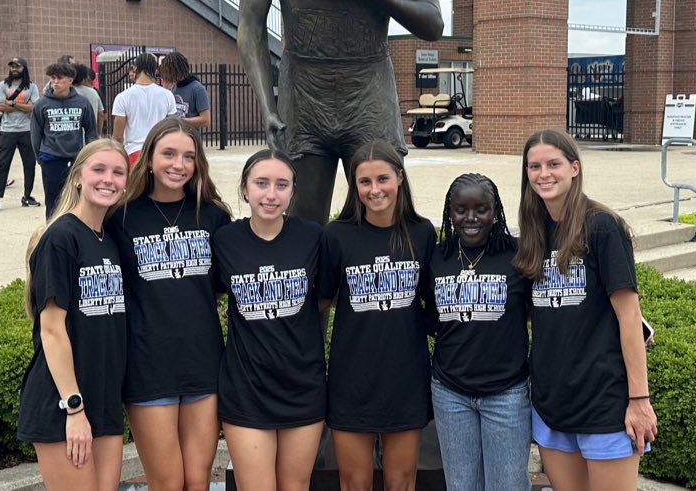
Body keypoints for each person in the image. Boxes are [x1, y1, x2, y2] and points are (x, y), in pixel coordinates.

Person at [512, 129, 656, 491]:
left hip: (604, 401)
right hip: (551, 401)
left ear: (574, 168)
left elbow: (629, 317)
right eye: (534, 166)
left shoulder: (602, 227)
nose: (543, 173)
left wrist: (639, 399)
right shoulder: (534, 233)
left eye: (553, 164)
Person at [238, 0, 443, 224]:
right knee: (304, 224)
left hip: (369, 91)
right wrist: (268, 109)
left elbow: (433, 24)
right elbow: (250, 26)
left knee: (384, 216)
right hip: (303, 95)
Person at [109, 117, 231, 491]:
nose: (179, 164)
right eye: (169, 154)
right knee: (167, 482)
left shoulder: (213, 216)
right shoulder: (122, 217)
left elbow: (227, 284)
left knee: (197, 481)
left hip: (204, 362)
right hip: (148, 366)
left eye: (189, 156)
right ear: (148, 159)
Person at [317, 142, 435, 491]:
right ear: (354, 186)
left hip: (406, 375)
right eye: (364, 182)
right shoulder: (337, 235)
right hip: (352, 377)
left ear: (399, 177)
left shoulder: (422, 233)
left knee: (401, 481)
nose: (374, 189)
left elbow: (435, 305)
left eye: (382, 178)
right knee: (355, 481)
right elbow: (321, 300)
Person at [17, 138, 131, 490]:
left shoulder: (108, 239)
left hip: (104, 398)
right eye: (98, 169)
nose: (108, 179)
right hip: (64, 402)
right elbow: (51, 330)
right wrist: (74, 408)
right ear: (78, 177)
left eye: (118, 172)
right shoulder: (61, 237)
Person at [212, 149, 327, 491]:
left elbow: (324, 298)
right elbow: (214, 293)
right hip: (246, 389)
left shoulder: (313, 238)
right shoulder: (225, 241)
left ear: (293, 191)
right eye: (261, 183)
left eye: (282, 185)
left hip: (302, 387)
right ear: (245, 188)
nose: (271, 194)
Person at [421, 173, 530, 491]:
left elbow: (550, 309)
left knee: (508, 485)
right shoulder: (438, 258)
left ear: (495, 211)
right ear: (449, 212)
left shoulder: (518, 255)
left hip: (507, 393)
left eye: (481, 209)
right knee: (461, 485)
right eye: (461, 209)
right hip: (450, 392)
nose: (471, 218)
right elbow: (429, 316)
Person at [32, 63, 99, 219]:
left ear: (70, 80)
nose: (55, 82)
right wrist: (40, 158)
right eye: (53, 78)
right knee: (53, 201)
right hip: (51, 158)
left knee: (78, 199)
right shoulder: (42, 104)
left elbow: (91, 132)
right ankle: (52, 233)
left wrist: (90, 157)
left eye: (60, 78)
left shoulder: (82, 103)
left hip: (76, 159)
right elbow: (36, 135)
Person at [0, 57, 42, 211]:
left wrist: (12, 103)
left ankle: (27, 196)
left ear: (24, 68)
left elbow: (34, 108)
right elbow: (0, 107)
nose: (14, 69)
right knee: (2, 165)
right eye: (12, 66)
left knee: (29, 165)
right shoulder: (3, 85)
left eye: (17, 66)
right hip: (7, 131)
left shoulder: (32, 87)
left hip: (27, 131)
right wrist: (23, 106)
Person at [112, 54, 178, 167]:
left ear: (136, 68)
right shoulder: (168, 95)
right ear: (155, 69)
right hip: (158, 151)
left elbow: (118, 137)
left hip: (133, 153)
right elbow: (172, 128)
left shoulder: (122, 97)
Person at [158, 52, 211, 129]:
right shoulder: (173, 87)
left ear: (176, 70)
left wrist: (179, 121)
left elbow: (206, 120)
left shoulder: (198, 89)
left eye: (168, 72)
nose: (167, 76)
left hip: (190, 137)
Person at [73, 63, 107, 138]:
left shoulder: (66, 92)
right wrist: (98, 133)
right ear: (84, 77)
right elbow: (101, 114)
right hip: (90, 136)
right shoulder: (93, 92)